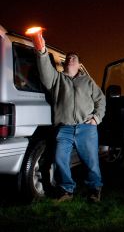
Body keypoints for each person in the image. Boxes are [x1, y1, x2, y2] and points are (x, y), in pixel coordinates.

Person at [33, 35, 106, 203]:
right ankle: (66, 190)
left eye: (75, 57)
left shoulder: (87, 81)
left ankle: (94, 190)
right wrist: (42, 51)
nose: (71, 58)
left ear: (79, 65)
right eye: (69, 57)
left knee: (92, 161)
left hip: (86, 127)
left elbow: (101, 99)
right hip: (64, 128)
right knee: (59, 159)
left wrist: (96, 118)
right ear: (65, 63)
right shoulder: (56, 79)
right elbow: (45, 72)